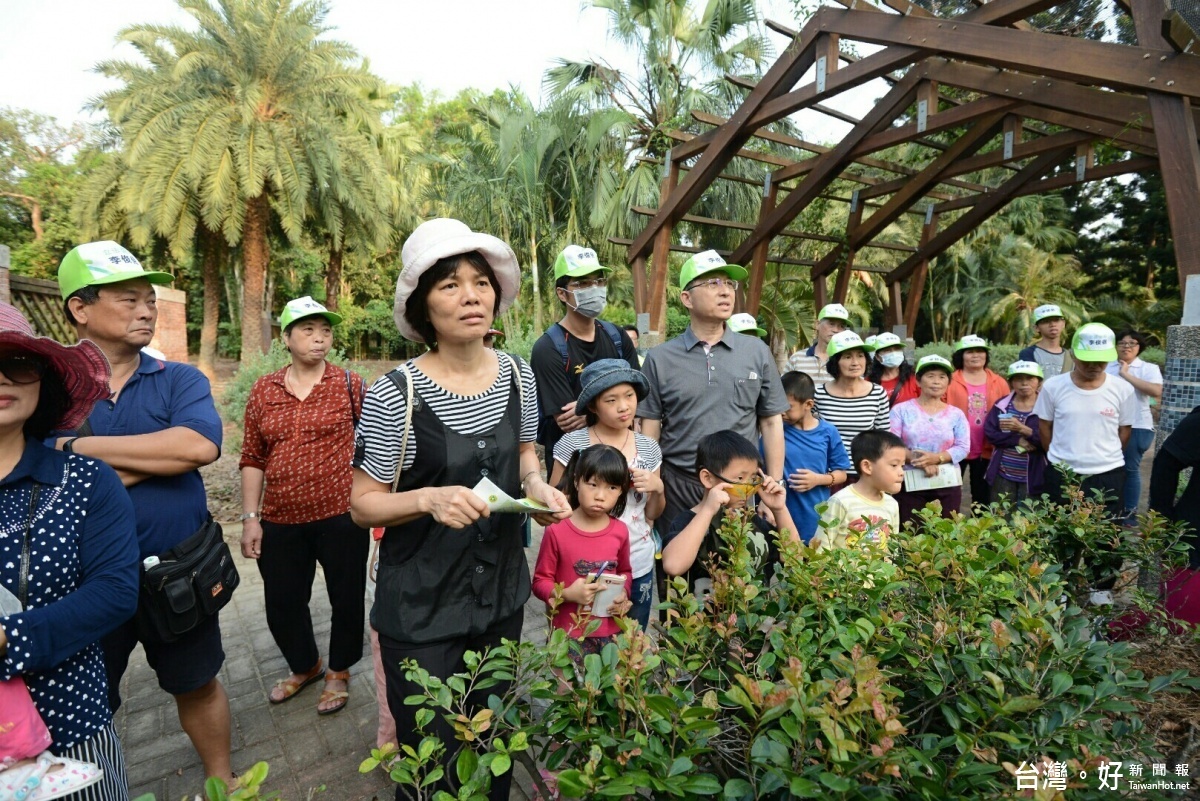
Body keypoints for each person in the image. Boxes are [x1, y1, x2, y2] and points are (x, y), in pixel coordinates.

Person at [349, 218, 569, 801]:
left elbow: (526, 454)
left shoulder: (520, 375)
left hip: (499, 595)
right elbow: (362, 505)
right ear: (423, 305)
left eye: (480, 281)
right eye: (449, 284)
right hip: (420, 607)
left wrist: (538, 488)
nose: (470, 295)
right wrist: (427, 499)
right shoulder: (396, 394)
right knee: (434, 760)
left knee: (492, 743)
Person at [53, 241, 231, 784]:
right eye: (129, 299)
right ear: (80, 308)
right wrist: (157, 455)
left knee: (196, 682)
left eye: (149, 300)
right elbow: (35, 475)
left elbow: (198, 447)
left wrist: (74, 453)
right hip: (81, 583)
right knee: (83, 702)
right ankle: (92, 787)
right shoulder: (46, 389)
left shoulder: (179, 379)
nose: (146, 310)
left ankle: (223, 782)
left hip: (176, 572)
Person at [0, 302, 138, 799]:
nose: (2, 379)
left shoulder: (84, 481)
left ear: (42, 380)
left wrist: (7, 638)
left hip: (70, 728)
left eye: (16, 362)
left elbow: (115, 593)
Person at [238, 296, 368, 715]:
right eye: (309, 330)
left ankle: (339, 671)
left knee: (346, 597)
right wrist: (250, 518)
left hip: (340, 515)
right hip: (279, 519)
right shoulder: (264, 389)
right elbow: (252, 456)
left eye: (326, 330)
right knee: (282, 602)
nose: (319, 338)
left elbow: (374, 447)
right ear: (287, 337)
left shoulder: (349, 384)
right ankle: (305, 665)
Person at [640, 250, 788, 527]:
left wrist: (773, 483)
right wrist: (654, 487)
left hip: (740, 491)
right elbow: (651, 428)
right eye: (712, 284)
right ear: (687, 298)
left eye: (728, 284)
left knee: (739, 565)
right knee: (677, 566)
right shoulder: (660, 358)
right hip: (679, 488)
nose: (725, 292)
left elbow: (770, 422)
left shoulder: (756, 351)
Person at [549, 360, 663, 629]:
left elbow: (652, 513)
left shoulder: (648, 448)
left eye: (629, 396)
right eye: (611, 400)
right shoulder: (574, 444)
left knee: (630, 642)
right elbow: (554, 506)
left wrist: (657, 488)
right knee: (576, 636)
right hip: (581, 564)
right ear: (592, 406)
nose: (623, 407)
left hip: (636, 561)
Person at [1034, 323, 1136, 598]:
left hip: (1108, 474)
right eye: (1088, 360)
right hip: (1063, 474)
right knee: (1060, 534)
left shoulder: (1122, 389)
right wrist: (1062, 458)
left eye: (1101, 360)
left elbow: (1124, 431)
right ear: (1075, 356)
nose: (1094, 365)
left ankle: (1100, 594)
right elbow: (1045, 428)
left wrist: (1101, 455)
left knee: (1107, 539)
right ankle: (1060, 591)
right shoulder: (1054, 387)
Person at [530, 245, 639, 460]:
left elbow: (637, 396)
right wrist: (615, 404)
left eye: (598, 281)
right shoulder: (548, 348)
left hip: (622, 456)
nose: (594, 288)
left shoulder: (617, 336)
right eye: (582, 284)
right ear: (562, 293)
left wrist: (586, 410)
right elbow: (567, 421)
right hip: (574, 462)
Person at [661, 431, 796, 599]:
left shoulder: (752, 522)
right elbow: (673, 566)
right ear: (708, 478)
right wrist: (709, 510)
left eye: (753, 478)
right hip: (704, 622)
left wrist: (780, 509)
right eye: (740, 478)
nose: (747, 488)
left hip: (751, 621)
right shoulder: (688, 522)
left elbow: (795, 558)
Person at [534, 445, 633, 654]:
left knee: (607, 685)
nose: (600, 496)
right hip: (567, 633)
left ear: (622, 490)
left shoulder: (620, 531)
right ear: (577, 481)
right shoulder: (556, 529)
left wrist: (623, 593)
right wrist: (568, 594)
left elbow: (625, 572)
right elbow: (540, 582)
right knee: (566, 687)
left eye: (612, 488)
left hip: (610, 632)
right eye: (593, 484)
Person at [889, 355, 970, 524]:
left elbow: (963, 447)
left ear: (948, 383)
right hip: (909, 483)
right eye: (930, 376)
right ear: (918, 381)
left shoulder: (956, 414)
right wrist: (922, 461)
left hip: (947, 483)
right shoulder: (901, 410)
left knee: (945, 534)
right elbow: (892, 443)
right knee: (910, 533)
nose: (936, 382)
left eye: (942, 377)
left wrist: (937, 458)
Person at [778, 371, 849, 543]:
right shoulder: (776, 431)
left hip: (815, 514)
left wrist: (818, 479)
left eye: (788, 407)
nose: (781, 412)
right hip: (782, 513)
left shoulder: (828, 432)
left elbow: (842, 473)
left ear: (808, 404)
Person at [813, 331, 890, 487]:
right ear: (835, 362)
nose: (855, 362)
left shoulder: (877, 393)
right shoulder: (818, 393)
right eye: (848, 357)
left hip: (865, 474)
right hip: (828, 474)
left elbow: (883, 437)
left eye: (860, 356)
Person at [812, 430, 906, 551]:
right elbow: (821, 548)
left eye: (902, 466)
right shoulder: (841, 501)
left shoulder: (892, 504)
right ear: (867, 466)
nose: (901, 472)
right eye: (894, 465)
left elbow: (892, 551)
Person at [945, 335, 1009, 509]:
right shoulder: (949, 380)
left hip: (987, 446)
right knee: (949, 491)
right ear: (961, 355)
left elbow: (1007, 409)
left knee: (982, 495)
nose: (975, 355)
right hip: (954, 445)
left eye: (980, 351)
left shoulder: (999, 382)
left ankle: (978, 531)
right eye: (970, 352)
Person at [1106, 330, 1163, 523]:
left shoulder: (1148, 368)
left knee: (1130, 469)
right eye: (1122, 343)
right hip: (1109, 425)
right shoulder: (1106, 367)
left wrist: (1126, 374)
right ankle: (1108, 511)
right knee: (1107, 469)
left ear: (1140, 347)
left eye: (1132, 343)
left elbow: (1155, 391)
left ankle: (1129, 514)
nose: (1126, 346)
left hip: (1138, 425)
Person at [984, 361, 1046, 505]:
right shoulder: (1002, 406)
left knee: (1028, 522)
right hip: (1003, 473)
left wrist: (1023, 429)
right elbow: (990, 433)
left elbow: (1052, 440)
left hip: (1034, 476)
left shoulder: (1046, 406)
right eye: (1018, 379)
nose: (1024, 383)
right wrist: (1016, 440)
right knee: (1001, 518)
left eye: (1030, 378)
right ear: (1011, 383)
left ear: (1039, 382)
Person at [786, 303, 850, 389]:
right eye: (831, 324)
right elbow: (783, 390)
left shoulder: (848, 360)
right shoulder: (797, 358)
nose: (836, 330)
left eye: (841, 326)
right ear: (817, 324)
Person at [1019, 304, 1073, 378]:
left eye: (1056, 320)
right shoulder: (1028, 354)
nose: (1052, 324)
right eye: (1046, 321)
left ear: (1063, 324)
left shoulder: (1071, 356)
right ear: (1036, 328)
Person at [866, 332, 918, 407]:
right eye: (887, 350)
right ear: (877, 357)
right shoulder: (868, 382)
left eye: (897, 349)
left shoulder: (914, 378)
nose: (894, 353)